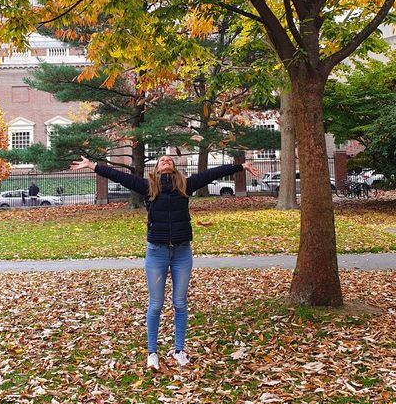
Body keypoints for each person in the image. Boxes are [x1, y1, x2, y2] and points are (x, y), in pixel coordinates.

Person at [71, 154, 260, 370]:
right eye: (162, 160)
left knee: (180, 303)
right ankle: (152, 353)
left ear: (174, 168)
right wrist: (93, 166)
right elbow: (118, 176)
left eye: (169, 159)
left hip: (181, 252)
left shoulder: (185, 186)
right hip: (157, 252)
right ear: (157, 168)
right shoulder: (148, 186)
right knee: (156, 304)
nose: (166, 160)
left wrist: (240, 166)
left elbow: (212, 173)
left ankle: (179, 350)